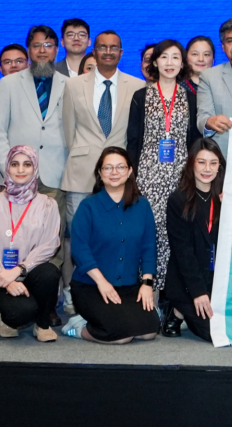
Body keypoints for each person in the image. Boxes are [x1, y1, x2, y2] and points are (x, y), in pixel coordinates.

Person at [127, 39, 198, 314]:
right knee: (150, 233)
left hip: (180, 177)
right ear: (155, 62)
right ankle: (148, 295)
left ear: (182, 63)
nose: (170, 63)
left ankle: (172, 298)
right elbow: (134, 140)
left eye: (175, 57)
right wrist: (131, 177)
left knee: (175, 234)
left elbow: (194, 140)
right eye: (164, 57)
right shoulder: (140, 96)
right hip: (148, 176)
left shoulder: (190, 97)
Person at [69, 146, 163, 343]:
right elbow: (80, 249)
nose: (114, 172)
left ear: (129, 171)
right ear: (100, 173)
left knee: (149, 331)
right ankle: (77, 327)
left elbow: (148, 247)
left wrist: (147, 284)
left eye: (120, 167)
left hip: (128, 285)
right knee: (121, 336)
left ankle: (110, 318)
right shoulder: (88, 206)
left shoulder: (142, 206)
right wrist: (102, 282)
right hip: (92, 285)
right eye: (108, 168)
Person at [0, 144, 64, 342]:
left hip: (30, 274)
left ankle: (42, 324)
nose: (21, 169)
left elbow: (49, 245)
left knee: (50, 272)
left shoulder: (47, 205)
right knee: (21, 312)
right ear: (7, 168)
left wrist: (19, 270)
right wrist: (6, 281)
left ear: (35, 169)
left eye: (27, 164)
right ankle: (8, 318)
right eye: (15, 164)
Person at [63, 29, 144, 222]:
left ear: (121, 53)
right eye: (102, 47)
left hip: (120, 175)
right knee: (79, 231)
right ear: (94, 51)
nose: (108, 52)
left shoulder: (138, 86)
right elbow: (68, 130)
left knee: (117, 231)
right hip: (81, 173)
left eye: (113, 48)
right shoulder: (73, 85)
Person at [0, 25, 71, 192]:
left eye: (48, 45)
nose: (42, 50)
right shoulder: (8, 83)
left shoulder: (70, 84)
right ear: (28, 50)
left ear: (57, 50)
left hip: (56, 176)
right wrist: (9, 170)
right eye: (36, 45)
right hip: (17, 176)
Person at [164, 142, 225, 342]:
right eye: (201, 162)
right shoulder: (177, 199)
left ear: (219, 166)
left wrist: (231, 209)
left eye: (213, 163)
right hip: (188, 282)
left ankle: (183, 312)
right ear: (191, 164)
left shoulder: (225, 198)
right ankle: (177, 309)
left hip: (216, 280)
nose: (207, 169)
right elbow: (183, 251)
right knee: (215, 332)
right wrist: (198, 292)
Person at [196, 16, 232, 145]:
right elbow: (202, 118)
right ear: (223, 47)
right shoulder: (209, 76)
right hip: (225, 150)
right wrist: (210, 122)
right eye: (230, 41)